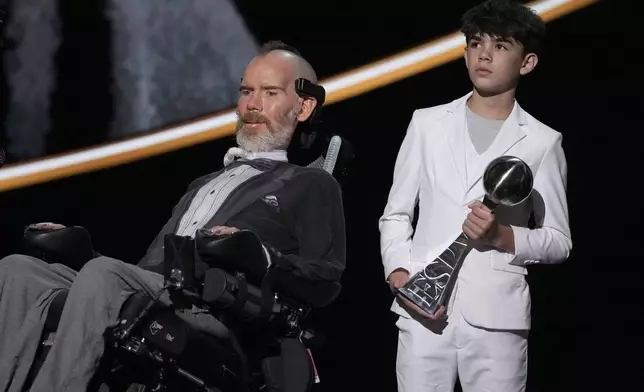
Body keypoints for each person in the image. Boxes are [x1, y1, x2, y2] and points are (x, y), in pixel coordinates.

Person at [0, 40, 346, 391]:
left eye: (269, 93)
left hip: (211, 307)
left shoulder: (310, 184)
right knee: (17, 270)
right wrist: (81, 251)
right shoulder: (204, 183)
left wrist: (261, 255)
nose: (251, 105)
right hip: (161, 288)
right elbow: (145, 271)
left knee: (104, 275)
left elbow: (325, 279)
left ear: (303, 107)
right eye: (246, 91)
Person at [379, 1, 572, 391]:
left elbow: (559, 240)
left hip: (497, 317)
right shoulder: (427, 123)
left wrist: (501, 236)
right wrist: (398, 271)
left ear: (527, 62)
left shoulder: (542, 141)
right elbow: (396, 214)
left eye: (500, 46)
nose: (483, 54)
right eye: (475, 43)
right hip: (421, 308)